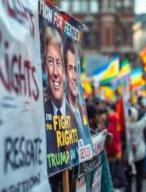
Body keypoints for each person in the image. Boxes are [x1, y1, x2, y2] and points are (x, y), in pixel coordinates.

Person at [43, 26, 76, 191]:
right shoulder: (40, 116)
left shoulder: (75, 117)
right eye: (50, 61)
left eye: (58, 63)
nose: (55, 72)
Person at [64, 38, 90, 145]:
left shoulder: (82, 109)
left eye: (76, 69)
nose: (74, 76)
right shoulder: (61, 111)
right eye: (70, 68)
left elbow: (85, 134)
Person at [127, 106, 146, 192]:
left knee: (128, 178)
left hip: (128, 155)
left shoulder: (124, 127)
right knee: (139, 177)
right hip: (140, 154)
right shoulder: (138, 125)